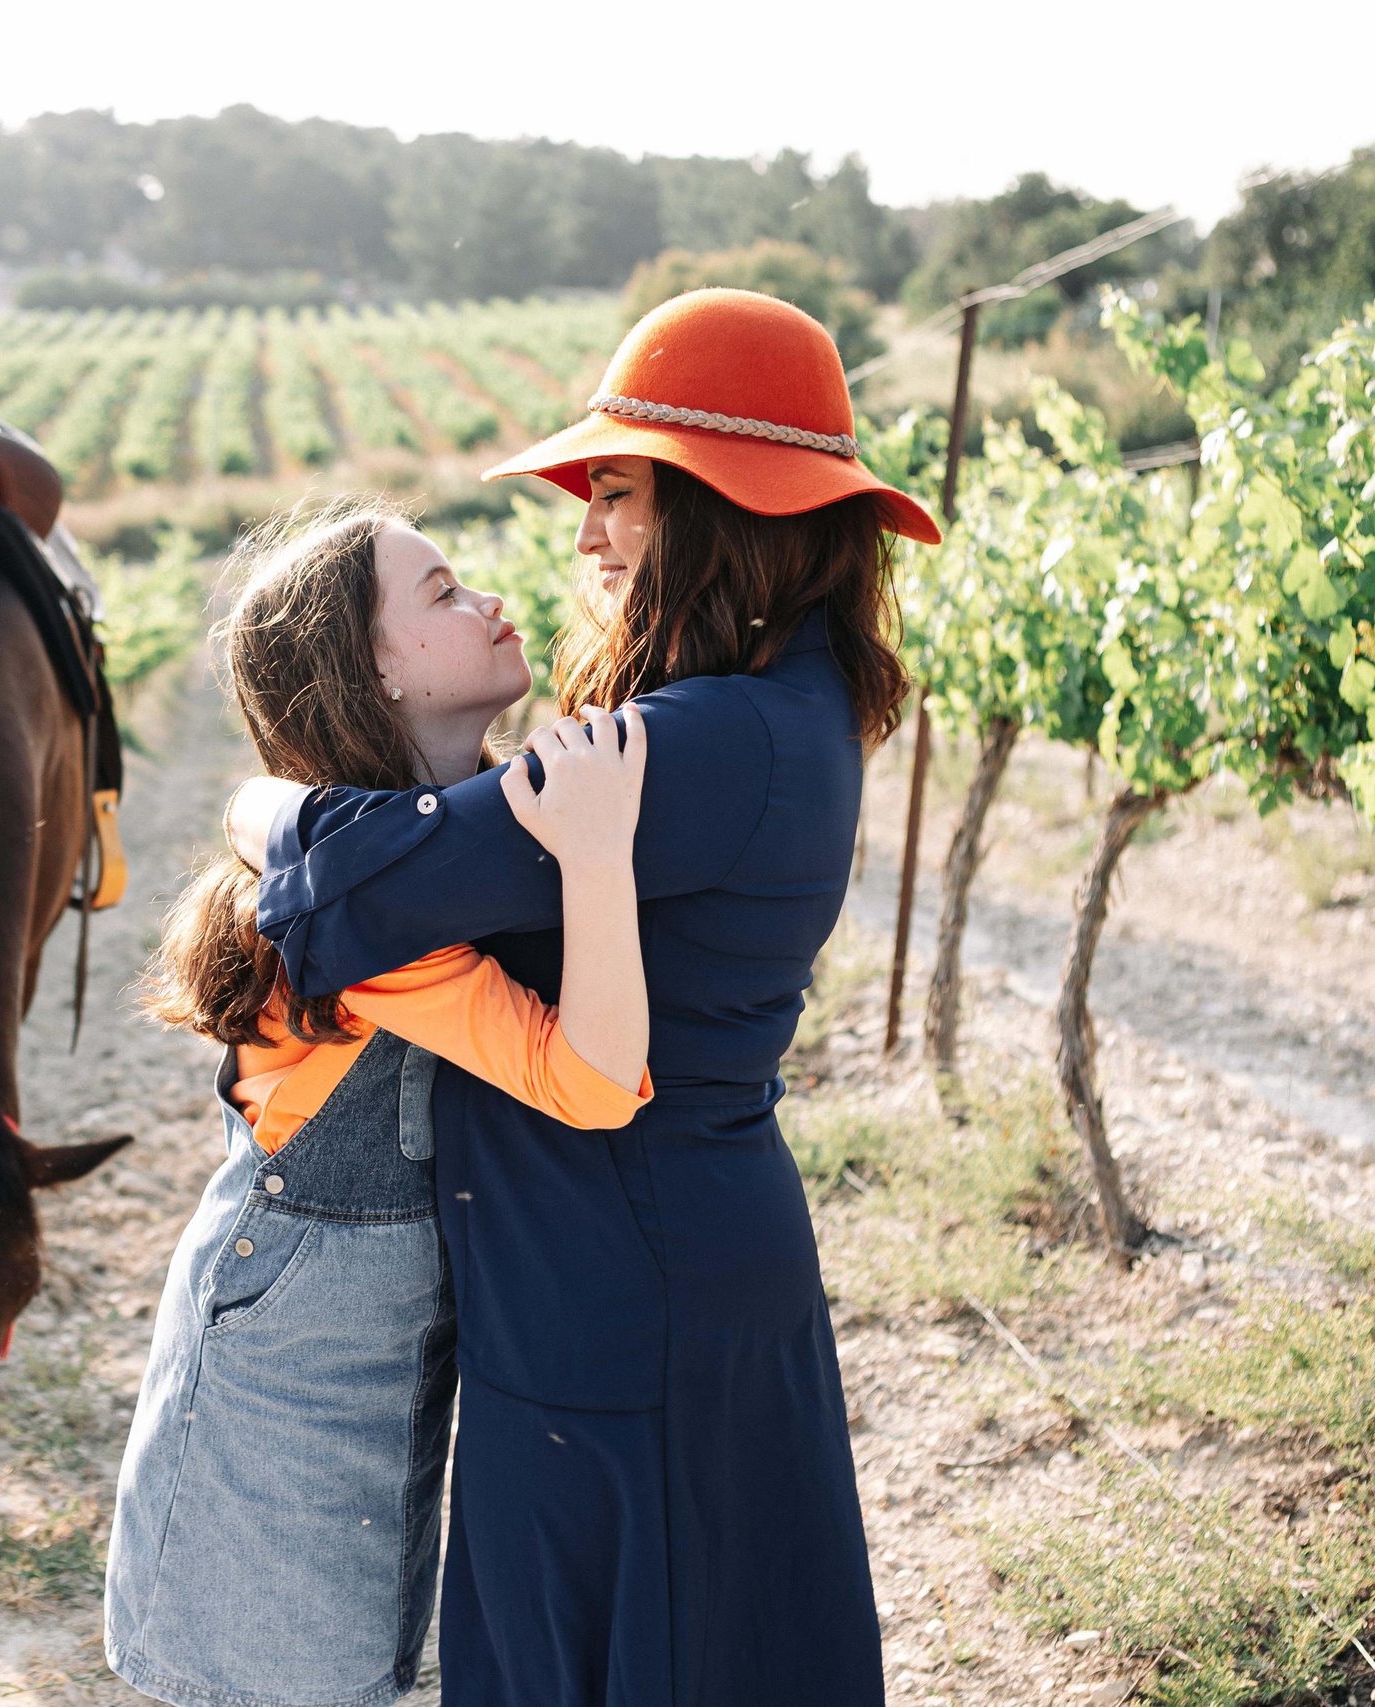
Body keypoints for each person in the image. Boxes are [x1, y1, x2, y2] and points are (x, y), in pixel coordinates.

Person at [229, 289, 944, 1706]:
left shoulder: (705, 740)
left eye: (618, 493)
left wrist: (259, 799)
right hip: (655, 1259)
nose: (587, 535)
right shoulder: (772, 706)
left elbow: (367, 887)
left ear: (723, 506)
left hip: (617, 1286)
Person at [106, 500, 657, 1707]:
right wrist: (600, 856)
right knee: (278, 1674)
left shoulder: (405, 846)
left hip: (365, 1321)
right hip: (294, 1325)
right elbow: (594, 1081)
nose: (494, 602)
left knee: (346, 1664)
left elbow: (271, 808)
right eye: (446, 592)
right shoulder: (368, 915)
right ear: (372, 672)